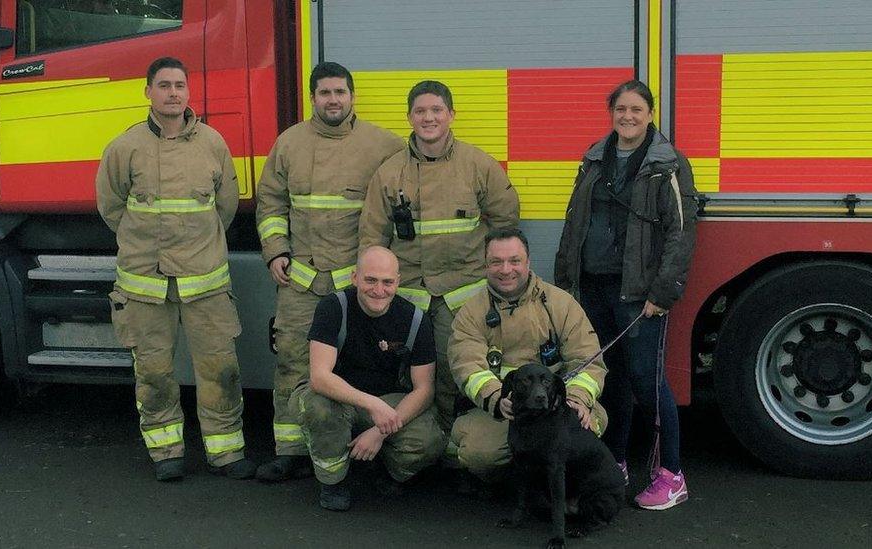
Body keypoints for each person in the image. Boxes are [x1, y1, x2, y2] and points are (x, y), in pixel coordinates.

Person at [96, 56, 254, 481]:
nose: (172, 93)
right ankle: (167, 451)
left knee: (220, 368)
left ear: (189, 91)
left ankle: (226, 452)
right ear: (147, 92)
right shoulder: (124, 147)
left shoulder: (213, 143)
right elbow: (111, 208)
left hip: (205, 282)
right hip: (146, 285)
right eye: (163, 85)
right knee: (154, 372)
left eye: (179, 85)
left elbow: (225, 207)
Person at [255, 62, 405, 481]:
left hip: (358, 286)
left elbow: (402, 200)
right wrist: (275, 251)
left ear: (352, 96)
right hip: (301, 282)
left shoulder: (382, 145)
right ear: (313, 97)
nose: (333, 100)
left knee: (359, 365)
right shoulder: (289, 144)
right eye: (325, 93)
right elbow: (270, 203)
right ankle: (291, 450)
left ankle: (367, 444)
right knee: (291, 360)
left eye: (340, 92)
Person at [554, 79, 698, 510]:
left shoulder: (667, 162)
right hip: (594, 286)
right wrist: (566, 284)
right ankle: (614, 461)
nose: (628, 117)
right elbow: (574, 220)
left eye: (637, 109)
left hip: (639, 294)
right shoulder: (594, 158)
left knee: (647, 382)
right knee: (607, 379)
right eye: (621, 110)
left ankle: (670, 475)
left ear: (650, 114)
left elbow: (681, 232)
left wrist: (663, 291)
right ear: (611, 113)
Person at [360, 80, 520, 435]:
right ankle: (414, 448)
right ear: (409, 117)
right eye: (420, 111)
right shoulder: (389, 172)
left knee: (456, 371)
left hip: (461, 296)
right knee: (405, 373)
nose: (428, 118)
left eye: (436, 110)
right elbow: (372, 238)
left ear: (451, 115)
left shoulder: (478, 165)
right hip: (407, 297)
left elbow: (506, 225)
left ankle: (454, 451)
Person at [447, 228, 608, 483]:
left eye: (514, 261)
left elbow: (587, 360)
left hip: (555, 407)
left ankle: (562, 487)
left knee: (586, 428)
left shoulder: (561, 304)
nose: (506, 269)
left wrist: (577, 400)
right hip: (505, 411)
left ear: (528, 262)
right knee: (479, 453)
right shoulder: (471, 312)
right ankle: (510, 485)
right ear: (485, 265)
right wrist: (496, 398)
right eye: (496, 262)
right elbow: (467, 366)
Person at [297, 246, 445, 511]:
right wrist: (372, 405)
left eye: (388, 282)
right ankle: (333, 481)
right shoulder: (333, 307)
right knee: (318, 409)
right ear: (355, 278)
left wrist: (379, 432)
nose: (379, 290)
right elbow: (319, 377)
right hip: (339, 398)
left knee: (428, 440)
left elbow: (424, 390)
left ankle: (387, 470)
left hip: (388, 401)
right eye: (370, 280)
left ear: (398, 282)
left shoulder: (414, 319)